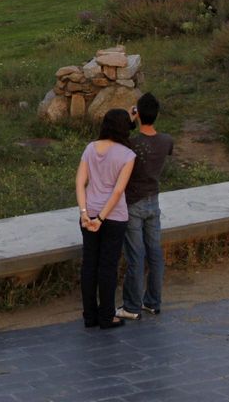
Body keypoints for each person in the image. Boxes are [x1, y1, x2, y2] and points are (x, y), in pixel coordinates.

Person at [75, 108, 135, 330]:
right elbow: (118, 192)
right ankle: (107, 316)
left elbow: (80, 182)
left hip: (88, 214)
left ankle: (89, 316)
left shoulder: (90, 148)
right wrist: (101, 218)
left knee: (89, 264)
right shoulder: (128, 155)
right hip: (113, 217)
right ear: (124, 128)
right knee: (108, 266)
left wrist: (85, 214)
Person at [117, 92, 174, 320]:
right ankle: (153, 301)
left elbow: (120, 138)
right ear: (157, 114)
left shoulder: (131, 144)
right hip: (153, 201)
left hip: (132, 204)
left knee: (135, 256)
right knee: (155, 253)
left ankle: (132, 306)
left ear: (138, 113)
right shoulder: (167, 141)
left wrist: (130, 121)